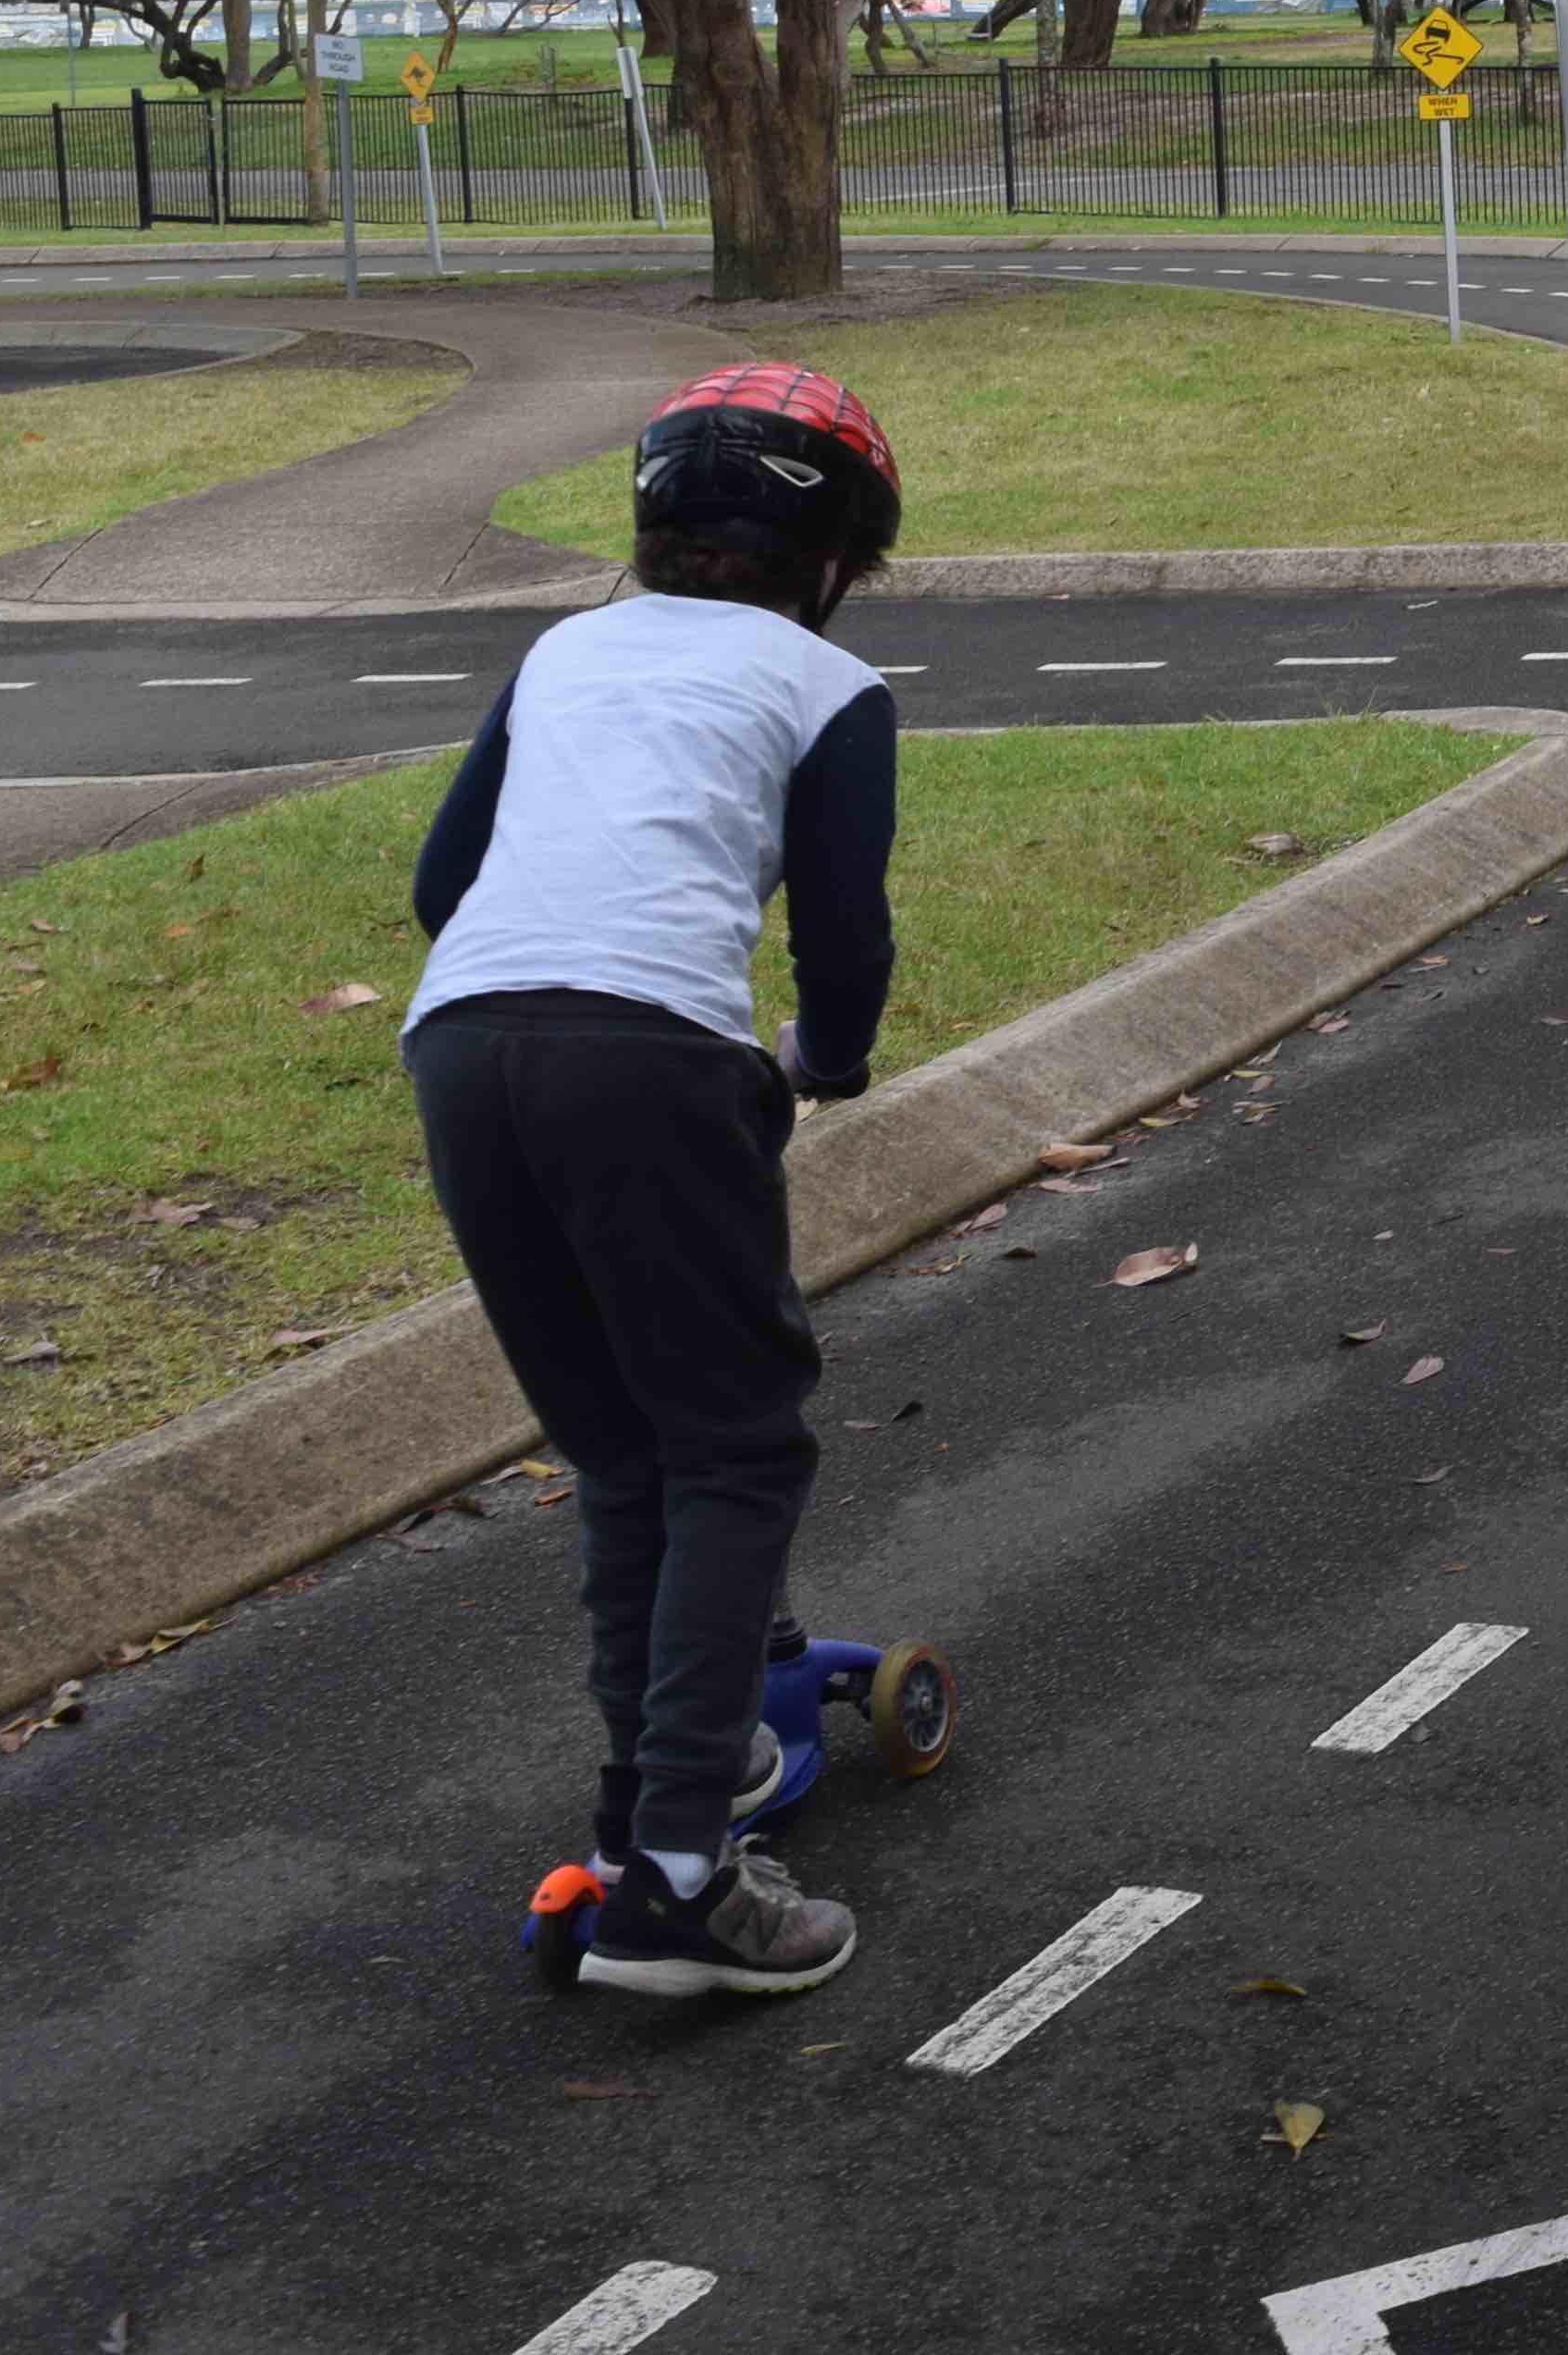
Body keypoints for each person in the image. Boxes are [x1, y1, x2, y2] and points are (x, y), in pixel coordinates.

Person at [401, 364, 907, 2000]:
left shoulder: (561, 650)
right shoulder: (828, 688)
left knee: (622, 1453)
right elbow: (841, 935)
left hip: (464, 1045)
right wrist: (823, 1057)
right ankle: (688, 1875)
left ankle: (645, 1816)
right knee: (739, 1449)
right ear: (832, 558)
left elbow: (441, 881)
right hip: (656, 1053)